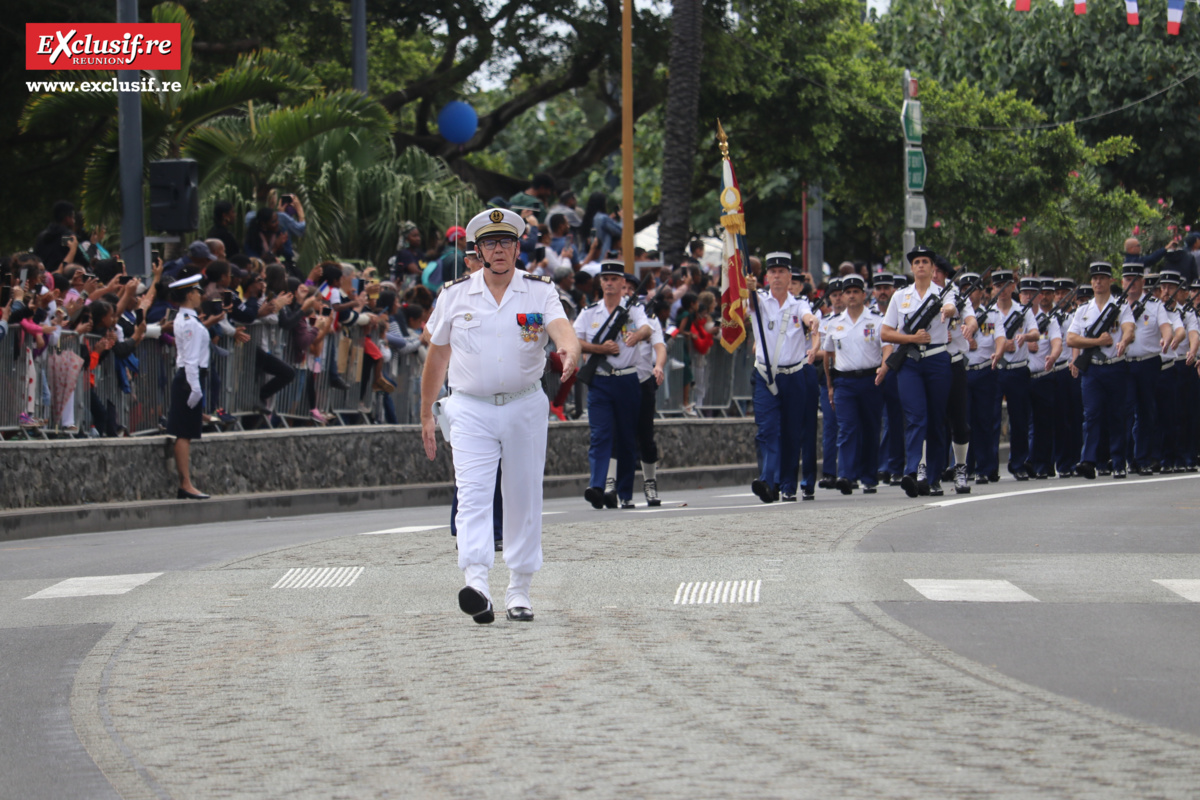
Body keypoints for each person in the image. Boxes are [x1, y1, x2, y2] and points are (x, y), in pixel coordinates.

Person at [421, 207, 580, 624]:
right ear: (477, 250)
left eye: (505, 242)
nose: (498, 250)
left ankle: (520, 589)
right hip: (470, 407)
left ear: (516, 247)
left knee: (523, 496)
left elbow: (561, 328)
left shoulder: (538, 291)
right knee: (472, 494)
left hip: (524, 403)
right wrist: (425, 414)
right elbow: (436, 356)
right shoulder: (455, 294)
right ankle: (476, 583)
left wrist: (570, 349)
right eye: (490, 243)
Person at [881, 245, 964, 498]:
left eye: (925, 262)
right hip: (910, 363)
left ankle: (935, 476)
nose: (920, 266)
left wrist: (947, 310)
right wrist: (910, 338)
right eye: (916, 262)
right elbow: (885, 332)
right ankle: (912, 471)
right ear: (911, 267)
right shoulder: (900, 296)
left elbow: (952, 308)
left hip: (938, 360)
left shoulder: (945, 292)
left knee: (937, 420)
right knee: (916, 417)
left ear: (932, 268)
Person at [575, 261, 652, 509]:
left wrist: (636, 335)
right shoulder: (589, 312)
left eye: (614, 279)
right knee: (600, 435)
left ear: (622, 283)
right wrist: (600, 349)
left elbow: (646, 328)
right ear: (600, 283)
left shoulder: (632, 309)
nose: (609, 283)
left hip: (627, 380)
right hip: (599, 381)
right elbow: (576, 341)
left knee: (627, 438)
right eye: (605, 278)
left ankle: (625, 492)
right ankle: (597, 486)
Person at [746, 253, 820, 502]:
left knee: (791, 432)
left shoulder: (798, 303)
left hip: (793, 376)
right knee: (767, 429)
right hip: (766, 376)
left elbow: (808, 317)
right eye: (772, 271)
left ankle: (788, 483)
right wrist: (748, 289)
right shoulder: (760, 300)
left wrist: (813, 323)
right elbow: (750, 302)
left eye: (781, 271)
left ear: (790, 276)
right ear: (766, 276)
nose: (777, 276)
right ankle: (768, 481)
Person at [1066, 262, 1136, 480]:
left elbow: (1129, 330)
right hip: (1093, 370)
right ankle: (1088, 460)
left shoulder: (1121, 307)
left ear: (1109, 281)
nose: (1097, 282)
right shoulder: (1083, 310)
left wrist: (1123, 342)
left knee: (1117, 414)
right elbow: (1071, 338)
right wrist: (1096, 340)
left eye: (1102, 278)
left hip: (1115, 367)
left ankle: (1117, 462)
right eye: (1094, 278)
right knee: (1092, 415)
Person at [823, 274, 888, 495]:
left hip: (870, 379)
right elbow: (828, 355)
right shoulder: (834, 323)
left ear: (863, 295)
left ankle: (869, 476)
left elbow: (886, 346)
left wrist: (883, 367)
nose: (851, 296)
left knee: (870, 428)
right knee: (847, 428)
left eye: (855, 292)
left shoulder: (876, 320)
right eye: (847, 292)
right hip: (845, 382)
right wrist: (830, 385)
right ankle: (846, 475)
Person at [1117, 263, 1172, 474]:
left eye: (1135, 279)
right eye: (1127, 279)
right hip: (1124, 364)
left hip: (1148, 362)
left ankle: (1141, 458)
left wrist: (1166, 340)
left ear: (1142, 282)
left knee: (1145, 411)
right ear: (1122, 282)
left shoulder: (1155, 305)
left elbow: (1166, 328)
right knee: (1126, 410)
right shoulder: (1117, 306)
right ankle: (1126, 457)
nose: (1131, 283)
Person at [164, 273, 211, 500]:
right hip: (189, 378)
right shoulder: (189, 323)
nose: (200, 295)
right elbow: (190, 359)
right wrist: (195, 388)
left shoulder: (187, 320)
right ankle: (185, 483)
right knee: (184, 433)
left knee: (187, 432)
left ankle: (186, 483)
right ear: (190, 294)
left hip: (189, 377)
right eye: (198, 291)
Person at [989, 273, 1039, 481]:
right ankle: (990, 466)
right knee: (992, 419)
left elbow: (1036, 333)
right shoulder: (988, 313)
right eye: (997, 285)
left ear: (1013, 287)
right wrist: (999, 346)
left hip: (1018, 369)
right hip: (996, 368)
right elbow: (979, 341)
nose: (1001, 289)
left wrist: (1023, 337)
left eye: (1005, 285)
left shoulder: (1023, 311)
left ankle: (1018, 463)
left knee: (1019, 419)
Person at [625, 272, 668, 506]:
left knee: (645, 436)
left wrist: (659, 366)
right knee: (619, 435)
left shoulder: (648, 318)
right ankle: (617, 486)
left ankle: (650, 483)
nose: (627, 293)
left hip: (642, 381)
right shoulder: (606, 315)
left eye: (631, 289)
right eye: (624, 288)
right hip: (618, 381)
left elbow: (659, 346)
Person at [1026, 278, 1064, 479]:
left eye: (1033, 293)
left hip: (1043, 375)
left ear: (1039, 296)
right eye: (1025, 293)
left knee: (1043, 424)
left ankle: (1042, 463)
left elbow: (1057, 342)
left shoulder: (1049, 320)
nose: (1028, 297)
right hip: (1022, 377)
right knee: (1025, 423)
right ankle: (1026, 462)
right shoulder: (1016, 318)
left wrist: (1054, 355)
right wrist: (1024, 344)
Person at [816, 278, 844, 489]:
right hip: (830, 376)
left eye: (841, 294)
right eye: (834, 295)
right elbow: (817, 350)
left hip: (851, 374)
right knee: (830, 426)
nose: (838, 298)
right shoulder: (825, 322)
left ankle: (849, 469)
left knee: (851, 425)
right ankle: (829, 472)